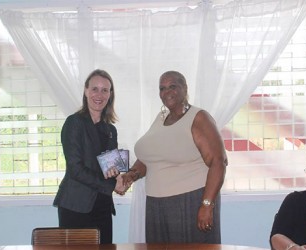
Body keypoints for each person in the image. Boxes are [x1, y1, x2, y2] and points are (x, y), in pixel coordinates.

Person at [119, 70, 228, 243]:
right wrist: (129, 176)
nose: (166, 92)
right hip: (156, 204)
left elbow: (219, 162)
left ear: (185, 88)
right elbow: (151, 159)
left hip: (189, 201)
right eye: (162, 88)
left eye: (172, 86)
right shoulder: (161, 117)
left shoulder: (199, 117)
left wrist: (207, 205)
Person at [53, 69, 124, 244]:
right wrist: (112, 185)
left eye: (104, 90)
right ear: (86, 91)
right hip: (76, 206)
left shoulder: (111, 130)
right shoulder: (74, 123)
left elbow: (110, 168)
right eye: (94, 89)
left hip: (102, 206)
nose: (99, 95)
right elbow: (76, 169)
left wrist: (121, 176)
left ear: (110, 94)